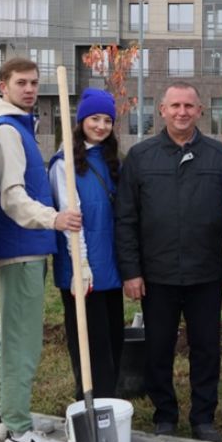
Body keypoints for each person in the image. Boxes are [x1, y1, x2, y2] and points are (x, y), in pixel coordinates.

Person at [116, 83, 222, 442]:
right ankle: (165, 415)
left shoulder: (220, 157)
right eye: (175, 105)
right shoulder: (140, 157)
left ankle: (203, 417)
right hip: (157, 274)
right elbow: (125, 219)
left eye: (189, 106)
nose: (182, 112)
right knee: (158, 348)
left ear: (200, 111)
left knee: (206, 348)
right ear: (162, 110)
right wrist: (131, 271)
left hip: (206, 273)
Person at [0, 57, 80, 442]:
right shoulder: (6, 131)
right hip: (21, 245)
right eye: (21, 83)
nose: (29, 89)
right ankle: (19, 434)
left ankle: (8, 417)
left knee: (13, 336)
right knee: (22, 341)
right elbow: (12, 197)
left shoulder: (15, 126)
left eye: (34, 83)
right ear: (3, 86)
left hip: (25, 246)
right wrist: (53, 218)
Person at [48, 88, 125, 403]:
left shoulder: (112, 161)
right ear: (81, 121)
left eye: (108, 120)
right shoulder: (64, 164)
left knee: (113, 341)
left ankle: (110, 404)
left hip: (111, 268)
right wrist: (81, 266)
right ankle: (91, 405)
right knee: (91, 348)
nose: (101, 126)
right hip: (83, 269)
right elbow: (71, 221)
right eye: (95, 118)